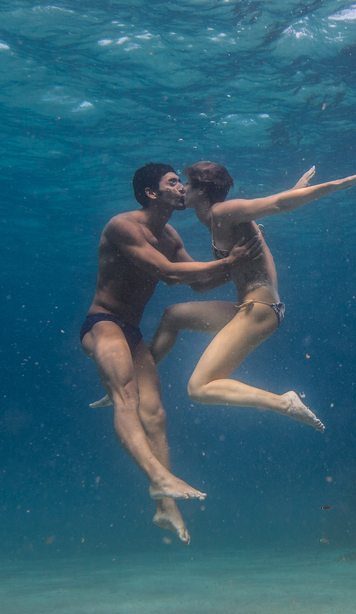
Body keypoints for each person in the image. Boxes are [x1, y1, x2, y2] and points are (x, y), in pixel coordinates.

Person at [79, 162, 261, 545]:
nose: (182, 188)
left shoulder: (170, 233)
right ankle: (158, 479)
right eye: (172, 182)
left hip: (131, 331)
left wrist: (243, 262)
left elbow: (198, 281)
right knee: (125, 399)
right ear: (151, 193)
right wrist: (228, 262)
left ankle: (166, 508)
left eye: (182, 182)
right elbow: (169, 274)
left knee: (156, 415)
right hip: (103, 323)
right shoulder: (122, 226)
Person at [146, 162, 356, 430]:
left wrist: (342, 182)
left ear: (200, 190)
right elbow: (206, 282)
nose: (182, 189)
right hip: (250, 306)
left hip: (260, 307)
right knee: (172, 315)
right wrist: (296, 188)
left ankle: (282, 402)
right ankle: (139, 379)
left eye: (186, 184)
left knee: (198, 388)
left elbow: (279, 204)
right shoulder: (216, 218)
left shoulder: (222, 211)